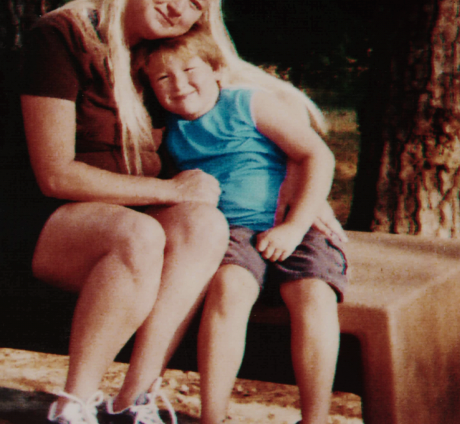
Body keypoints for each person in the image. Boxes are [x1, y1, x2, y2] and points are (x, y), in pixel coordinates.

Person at [0, 0, 346, 424]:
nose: (179, 5)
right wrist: (169, 189)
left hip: (133, 218)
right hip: (50, 225)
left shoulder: (165, 58)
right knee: (139, 234)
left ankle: (132, 400)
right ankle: (73, 405)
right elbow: (54, 175)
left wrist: (296, 189)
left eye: (197, 2)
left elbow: (251, 121)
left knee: (205, 225)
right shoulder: (62, 35)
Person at [132, 27, 348, 424]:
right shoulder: (168, 131)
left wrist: (296, 226)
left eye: (189, 69)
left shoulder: (248, 104)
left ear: (217, 70)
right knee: (228, 289)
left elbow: (317, 155)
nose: (179, 85)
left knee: (314, 295)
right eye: (163, 78)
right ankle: (213, 416)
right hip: (231, 234)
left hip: (294, 221)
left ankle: (314, 419)